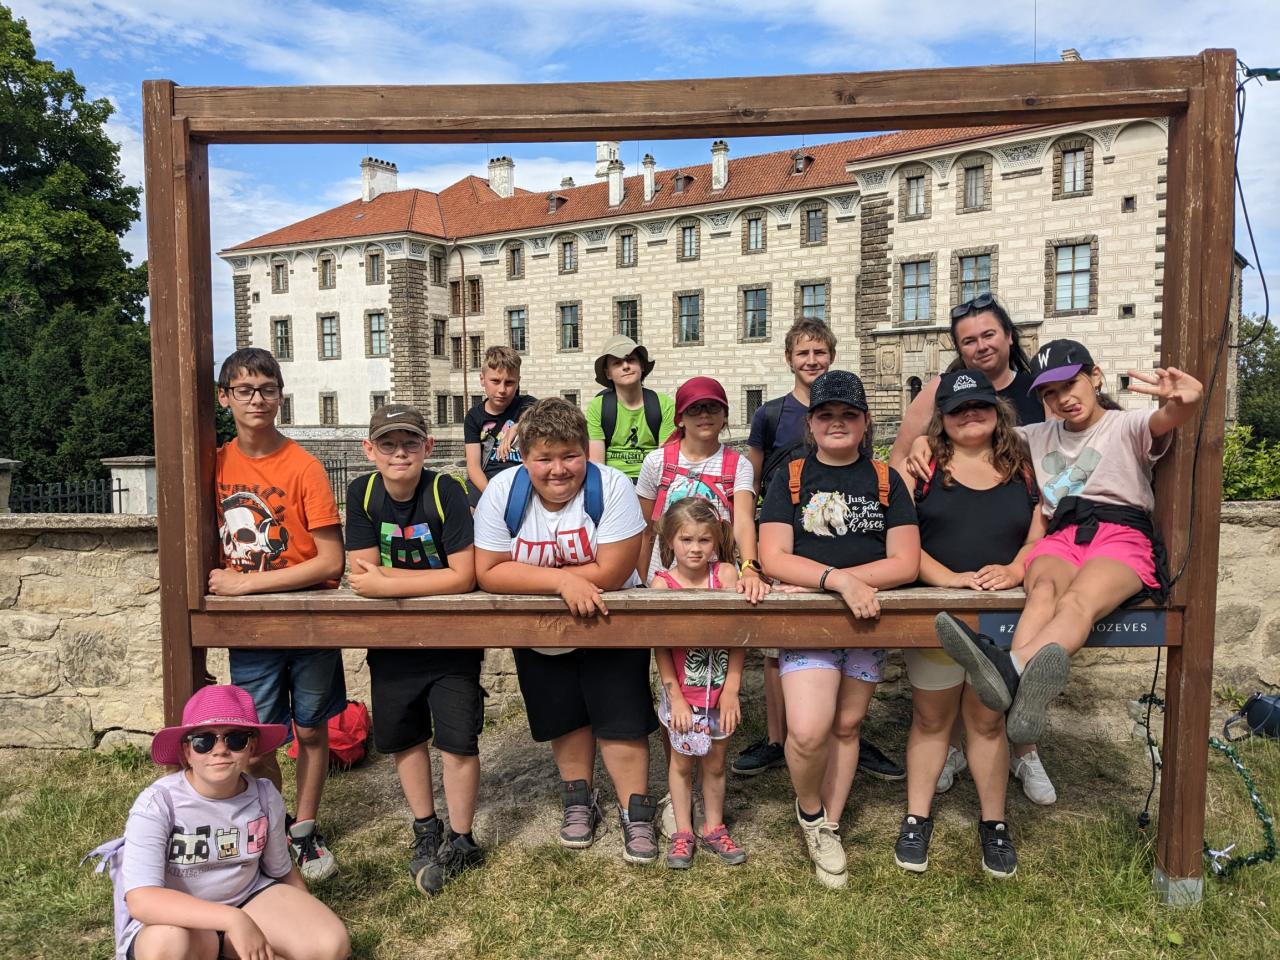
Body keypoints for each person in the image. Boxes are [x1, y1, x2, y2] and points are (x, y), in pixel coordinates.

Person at [925, 340, 1202, 747]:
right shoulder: (1038, 435)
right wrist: (925, 441)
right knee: (1042, 591)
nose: (1063, 399)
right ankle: (1022, 703)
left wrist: (1187, 401)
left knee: (1077, 602)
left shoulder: (1126, 425)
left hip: (1120, 533)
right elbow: (974, 431)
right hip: (1063, 535)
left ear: (1095, 377)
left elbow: (1167, 417)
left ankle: (1009, 668)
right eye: (1050, 393)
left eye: (1070, 384)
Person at [473, 397, 660, 864]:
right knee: (564, 715)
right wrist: (563, 581)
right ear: (524, 457)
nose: (558, 470)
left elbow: (614, 569)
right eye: (544, 458)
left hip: (610, 624)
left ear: (585, 451)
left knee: (621, 716)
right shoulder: (503, 491)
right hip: (540, 632)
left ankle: (636, 809)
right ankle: (579, 798)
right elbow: (489, 570)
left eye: (570, 455)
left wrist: (536, 577)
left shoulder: (610, 486)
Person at [889, 293, 1055, 805]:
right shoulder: (939, 397)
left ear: (1009, 336)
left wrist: (1020, 566)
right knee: (943, 694)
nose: (980, 345)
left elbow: (1068, 457)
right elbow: (900, 466)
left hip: (1014, 575)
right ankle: (953, 751)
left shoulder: (1039, 391)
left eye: (988, 334)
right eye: (968, 340)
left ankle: (1023, 751)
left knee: (1003, 683)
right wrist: (924, 446)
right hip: (943, 581)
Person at [758, 370, 920, 888]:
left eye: (848, 414)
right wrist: (838, 581)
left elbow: (906, 562)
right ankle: (810, 812)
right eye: (826, 414)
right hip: (811, 622)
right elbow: (773, 555)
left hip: (866, 623)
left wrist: (842, 583)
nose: (837, 423)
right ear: (810, 423)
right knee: (807, 731)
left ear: (864, 422)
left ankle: (830, 823)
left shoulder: (885, 480)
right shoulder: (791, 477)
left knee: (847, 726)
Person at [738, 320, 903, 782]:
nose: (811, 360)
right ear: (789, 358)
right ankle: (779, 738)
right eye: (803, 353)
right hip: (790, 530)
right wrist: (752, 552)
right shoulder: (771, 413)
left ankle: (841, 737)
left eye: (819, 352)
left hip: (839, 537)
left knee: (843, 687)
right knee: (779, 654)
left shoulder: (855, 427)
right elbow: (751, 478)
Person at [896, 369, 1043, 879]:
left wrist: (1016, 570)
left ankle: (994, 823)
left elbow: (1040, 535)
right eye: (958, 409)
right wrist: (949, 580)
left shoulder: (1023, 464)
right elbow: (901, 538)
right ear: (942, 418)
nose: (970, 414)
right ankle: (916, 818)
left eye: (979, 404)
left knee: (987, 720)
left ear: (997, 409)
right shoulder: (923, 466)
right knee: (931, 718)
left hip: (1001, 614)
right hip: (938, 611)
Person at [210, 347, 345, 881]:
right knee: (258, 738)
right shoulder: (215, 463)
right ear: (225, 398)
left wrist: (247, 583)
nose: (257, 400)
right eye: (244, 390)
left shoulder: (303, 466)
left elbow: (330, 561)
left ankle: (304, 829)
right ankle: (270, 826)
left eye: (267, 389)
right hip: (253, 629)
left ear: (280, 397)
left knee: (310, 729)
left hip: (307, 618)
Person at [344, 404, 483, 895]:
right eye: (388, 444)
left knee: (458, 740)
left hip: (452, 640)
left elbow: (465, 577)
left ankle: (462, 837)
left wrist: (389, 582)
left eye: (409, 443)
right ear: (370, 450)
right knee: (404, 738)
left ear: (428, 447)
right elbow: (360, 574)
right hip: (393, 642)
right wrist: (423, 580)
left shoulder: (444, 490)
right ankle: (426, 827)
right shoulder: (362, 492)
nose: (399, 453)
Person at [116, 684, 350, 960]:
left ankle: (229, 947)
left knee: (329, 944)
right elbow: (142, 899)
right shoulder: (158, 803)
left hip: (247, 898)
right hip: (179, 920)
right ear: (186, 752)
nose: (220, 750)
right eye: (203, 741)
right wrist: (231, 919)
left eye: (235, 739)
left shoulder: (264, 796)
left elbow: (281, 871)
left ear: (252, 747)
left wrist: (305, 915)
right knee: (166, 945)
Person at [650, 497, 749, 869]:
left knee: (716, 763)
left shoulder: (725, 575)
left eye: (704, 540)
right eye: (686, 539)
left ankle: (714, 827)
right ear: (670, 541)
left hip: (719, 695)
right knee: (681, 764)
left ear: (717, 540)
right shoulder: (662, 585)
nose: (695, 548)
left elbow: (739, 636)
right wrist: (675, 698)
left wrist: (732, 690)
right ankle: (683, 831)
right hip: (682, 697)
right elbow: (660, 647)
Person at [636, 375, 768, 602]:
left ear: (724, 415)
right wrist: (641, 581)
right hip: (664, 581)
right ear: (680, 419)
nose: (704, 414)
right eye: (694, 408)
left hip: (720, 581)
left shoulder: (738, 465)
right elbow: (644, 528)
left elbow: (743, 521)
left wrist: (749, 569)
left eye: (713, 407)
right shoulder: (657, 462)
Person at [586, 334, 676, 480]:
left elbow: (665, 461)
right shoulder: (598, 406)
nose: (626, 366)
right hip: (613, 482)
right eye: (617, 363)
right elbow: (598, 466)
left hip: (652, 481)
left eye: (631, 360)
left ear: (642, 366)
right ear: (608, 373)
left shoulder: (664, 404)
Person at [464, 345, 538, 508]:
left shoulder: (528, 404)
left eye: (509, 382)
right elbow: (473, 467)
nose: (502, 390)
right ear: (482, 379)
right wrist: (492, 495)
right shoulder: (473, 417)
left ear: (518, 381)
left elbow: (549, 416)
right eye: (495, 381)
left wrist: (517, 427)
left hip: (522, 480)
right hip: (486, 482)